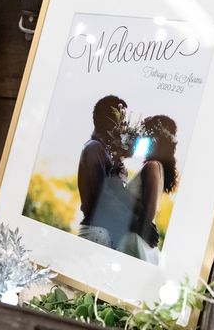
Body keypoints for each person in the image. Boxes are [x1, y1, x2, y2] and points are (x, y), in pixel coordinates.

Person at [77, 95, 136, 249]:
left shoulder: (102, 150)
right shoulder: (94, 148)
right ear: (110, 120)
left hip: (102, 232)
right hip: (96, 232)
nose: (123, 125)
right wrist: (135, 221)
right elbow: (101, 198)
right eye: (121, 119)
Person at [118, 115, 179, 264]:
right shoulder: (156, 166)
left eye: (146, 134)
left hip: (135, 238)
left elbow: (149, 212)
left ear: (155, 139)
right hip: (136, 235)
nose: (142, 138)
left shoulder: (152, 166)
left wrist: (120, 191)